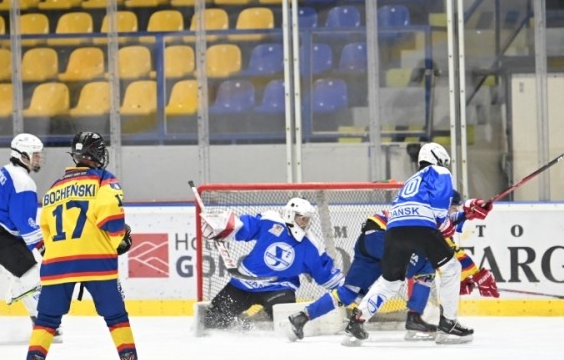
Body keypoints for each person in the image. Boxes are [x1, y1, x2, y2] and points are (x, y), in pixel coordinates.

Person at [16, 132, 139, 360]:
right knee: (116, 317)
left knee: (46, 321)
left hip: (57, 263)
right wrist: (120, 240)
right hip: (96, 261)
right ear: (96, 154)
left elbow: (46, 230)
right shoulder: (104, 180)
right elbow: (111, 219)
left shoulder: (54, 188)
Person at [284, 190, 499, 342]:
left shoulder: (421, 207)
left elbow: (448, 228)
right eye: (452, 207)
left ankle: (302, 317)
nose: (453, 211)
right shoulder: (432, 215)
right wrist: (475, 275)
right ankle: (414, 318)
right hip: (385, 239)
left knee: (349, 292)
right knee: (426, 264)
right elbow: (449, 250)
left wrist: (466, 214)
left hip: (370, 240)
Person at [343, 142, 493, 345]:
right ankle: (448, 324)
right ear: (438, 159)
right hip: (421, 228)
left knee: (390, 281)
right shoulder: (440, 172)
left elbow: (423, 212)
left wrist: (466, 214)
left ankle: (357, 322)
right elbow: (438, 212)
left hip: (395, 230)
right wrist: (447, 226)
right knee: (451, 268)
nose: (445, 165)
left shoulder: (412, 180)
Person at [199, 197, 345, 330]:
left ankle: (258, 318)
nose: (305, 224)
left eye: (307, 220)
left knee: (284, 322)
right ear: (290, 215)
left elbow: (325, 272)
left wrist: (348, 290)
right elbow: (247, 226)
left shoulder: (311, 245)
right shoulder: (270, 220)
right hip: (244, 283)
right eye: (302, 219)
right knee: (211, 322)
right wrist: (223, 227)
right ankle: (247, 318)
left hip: (278, 288)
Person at [0, 133, 61, 341]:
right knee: (31, 275)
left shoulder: (8, 170)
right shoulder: (23, 182)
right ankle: (46, 327)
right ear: (24, 155)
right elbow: (24, 223)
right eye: (35, 155)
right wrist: (45, 249)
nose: (38, 159)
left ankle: (40, 320)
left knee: (28, 273)